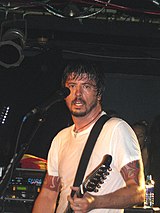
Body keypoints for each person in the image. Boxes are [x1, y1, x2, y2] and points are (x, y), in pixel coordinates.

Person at [32, 60, 145, 213]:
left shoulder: (115, 129)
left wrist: (95, 202)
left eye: (86, 86)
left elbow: (138, 192)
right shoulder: (61, 138)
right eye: (72, 86)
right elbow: (48, 195)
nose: (77, 94)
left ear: (98, 93)